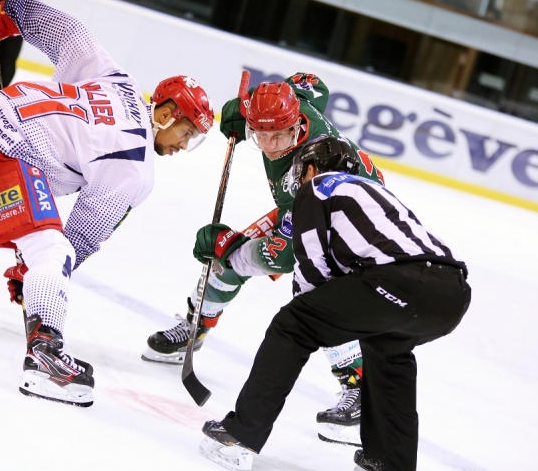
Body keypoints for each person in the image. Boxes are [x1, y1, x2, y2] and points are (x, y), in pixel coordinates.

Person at [0, 0, 215, 407]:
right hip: (6, 154)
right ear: (165, 114)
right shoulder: (135, 166)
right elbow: (81, 237)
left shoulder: (120, 81)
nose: (184, 146)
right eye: (186, 133)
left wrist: (13, 11)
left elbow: (68, 33)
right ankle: (45, 356)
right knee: (53, 251)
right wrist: (32, 270)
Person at [198, 135, 472, 471]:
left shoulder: (319, 187)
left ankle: (240, 436)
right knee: (388, 352)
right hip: (452, 295)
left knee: (292, 326)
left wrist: (311, 322)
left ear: (312, 168)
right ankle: (389, 464)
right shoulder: (375, 193)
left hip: (398, 281)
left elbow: (312, 272)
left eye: (301, 173)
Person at [142, 74, 386, 445]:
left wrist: (229, 244)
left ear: (296, 126)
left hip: (349, 225)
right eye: (260, 136)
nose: (270, 147)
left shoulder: (309, 172)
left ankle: (360, 386)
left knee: (316, 296)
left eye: (279, 137)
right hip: (305, 209)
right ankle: (196, 326)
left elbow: (282, 256)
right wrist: (249, 106)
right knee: (227, 263)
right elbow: (314, 85)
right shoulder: (293, 106)